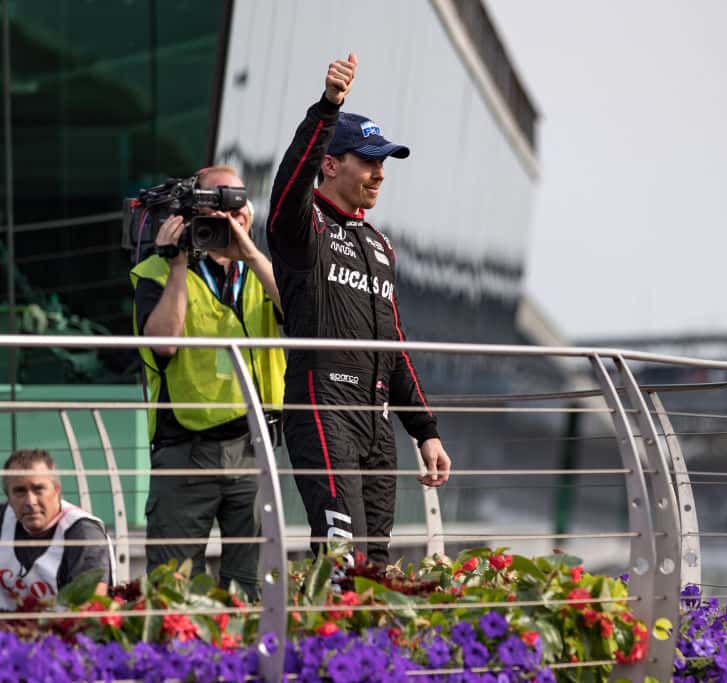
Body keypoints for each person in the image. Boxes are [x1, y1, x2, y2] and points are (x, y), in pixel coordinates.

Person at [267, 54, 451, 564]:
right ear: (331, 164)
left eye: (383, 163)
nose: (379, 174)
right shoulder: (301, 231)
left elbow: (394, 346)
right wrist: (327, 108)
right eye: (369, 161)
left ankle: (365, 647)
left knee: (376, 564)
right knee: (342, 558)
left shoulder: (379, 244)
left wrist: (426, 430)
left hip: (377, 419)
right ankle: (317, 641)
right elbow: (290, 180)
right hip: (321, 407)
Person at [130, 165, 285, 598]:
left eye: (235, 204)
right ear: (193, 211)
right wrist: (177, 264)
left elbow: (301, 311)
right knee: (174, 586)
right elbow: (163, 343)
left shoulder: (261, 269)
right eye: (215, 204)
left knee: (254, 586)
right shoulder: (154, 271)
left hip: (255, 448)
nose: (227, 217)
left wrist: (250, 254)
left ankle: (254, 665)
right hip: (186, 450)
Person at [0, 450, 111, 607]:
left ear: (57, 491)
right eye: (20, 491)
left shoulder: (83, 533)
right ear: (8, 497)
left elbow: (91, 609)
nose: (30, 501)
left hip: (66, 629)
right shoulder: (3, 519)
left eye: (38, 489)